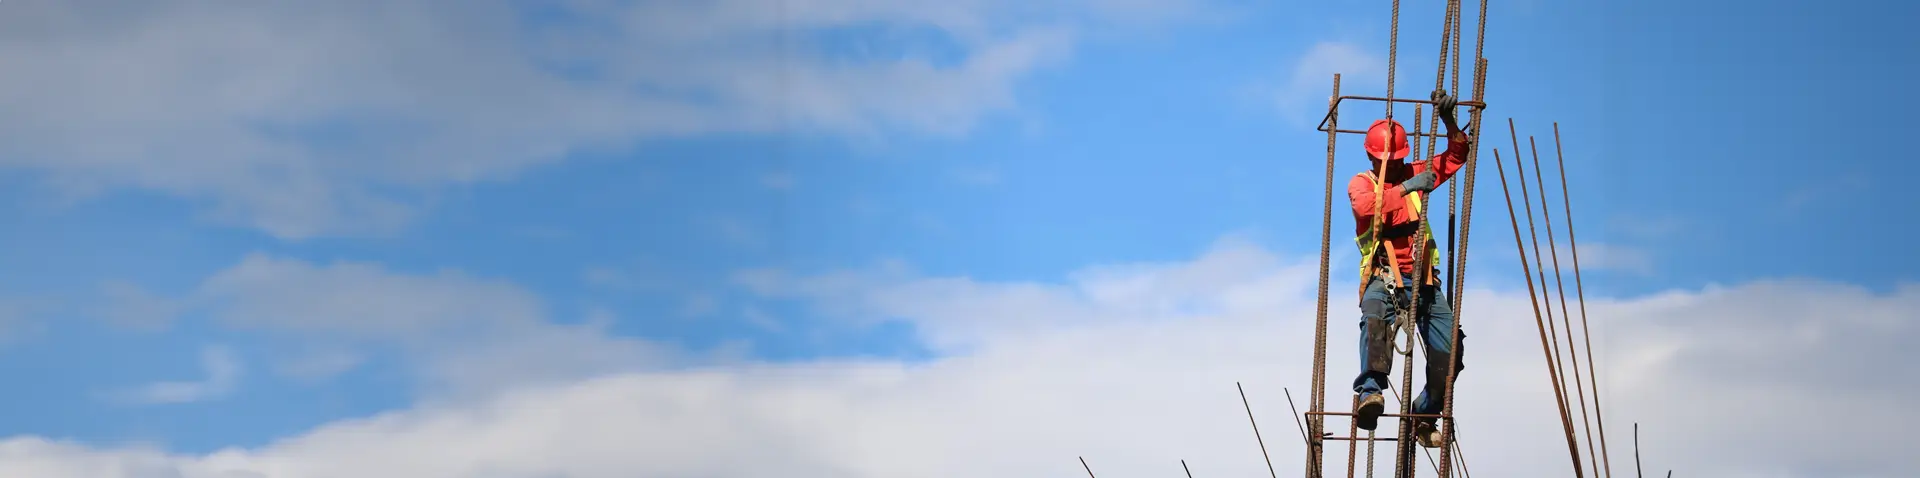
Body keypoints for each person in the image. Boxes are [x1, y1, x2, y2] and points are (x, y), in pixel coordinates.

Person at [1345, 90, 1472, 448]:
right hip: (1383, 277)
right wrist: (1405, 187)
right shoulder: (1362, 184)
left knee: (1450, 354)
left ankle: (1424, 412)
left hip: (1424, 280)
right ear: (1372, 156)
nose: (1397, 164)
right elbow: (1367, 209)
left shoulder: (1416, 173)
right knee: (1374, 319)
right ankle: (1370, 393)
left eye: (1399, 159)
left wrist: (1450, 124)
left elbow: (1455, 157)